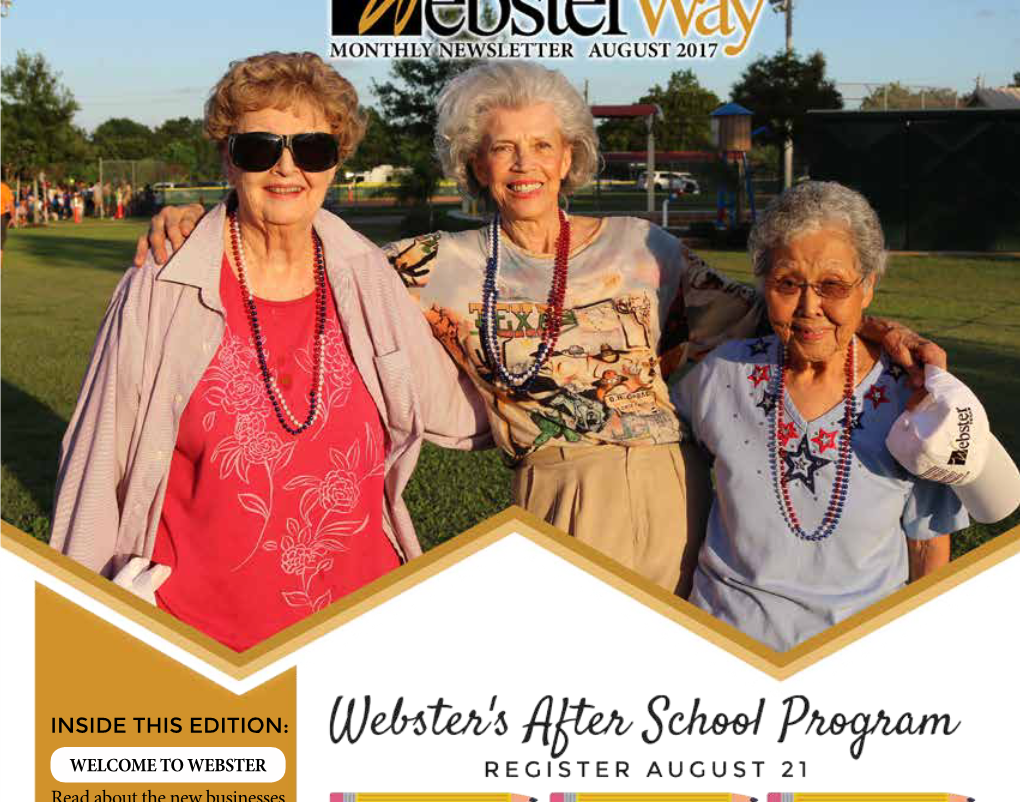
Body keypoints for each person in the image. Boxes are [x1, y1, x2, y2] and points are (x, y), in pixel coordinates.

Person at [140, 62, 940, 597]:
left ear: (570, 158)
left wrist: (883, 327)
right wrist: (201, 218)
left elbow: (786, 310)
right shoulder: (429, 261)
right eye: (501, 149)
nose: (523, 164)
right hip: (554, 486)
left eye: (542, 146)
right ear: (475, 164)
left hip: (673, 489)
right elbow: (301, 254)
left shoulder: (646, 249)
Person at [51, 51, 488, 651]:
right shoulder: (162, 284)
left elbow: (463, 408)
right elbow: (95, 465)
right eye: (260, 148)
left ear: (336, 162)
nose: (287, 168)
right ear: (228, 159)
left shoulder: (371, 280)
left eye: (312, 148)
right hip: (198, 640)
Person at [675, 181, 1019, 652]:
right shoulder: (722, 375)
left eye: (833, 286)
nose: (809, 307)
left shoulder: (911, 397)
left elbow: (927, 545)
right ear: (763, 284)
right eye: (787, 283)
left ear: (868, 287)